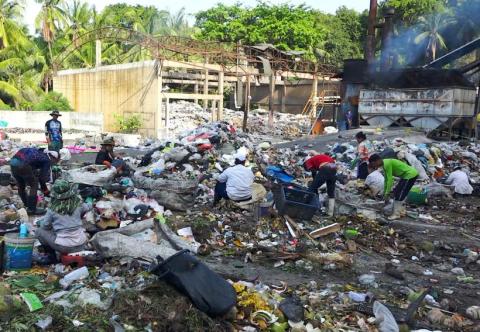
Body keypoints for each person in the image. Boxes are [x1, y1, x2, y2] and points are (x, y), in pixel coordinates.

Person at [35, 180, 90, 261]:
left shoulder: (52, 209)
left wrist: (41, 223)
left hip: (64, 247)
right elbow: (87, 207)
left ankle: (51, 257)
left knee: (39, 231)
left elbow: (45, 226)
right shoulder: (78, 203)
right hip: (81, 243)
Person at [10, 148, 59, 215]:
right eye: (55, 161)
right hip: (22, 164)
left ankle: (27, 205)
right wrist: (46, 192)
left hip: (13, 163)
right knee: (34, 184)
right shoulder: (47, 160)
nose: (54, 162)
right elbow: (42, 178)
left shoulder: (38, 153)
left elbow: (32, 167)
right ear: (52, 157)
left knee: (21, 185)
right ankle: (32, 209)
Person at [369, 154, 419, 220]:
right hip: (406, 176)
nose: (374, 166)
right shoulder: (384, 164)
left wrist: (387, 193)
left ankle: (396, 214)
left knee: (400, 194)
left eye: (374, 163)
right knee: (398, 192)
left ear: (378, 160)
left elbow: (390, 180)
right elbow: (386, 180)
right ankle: (401, 211)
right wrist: (385, 192)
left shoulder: (387, 163)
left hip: (410, 175)